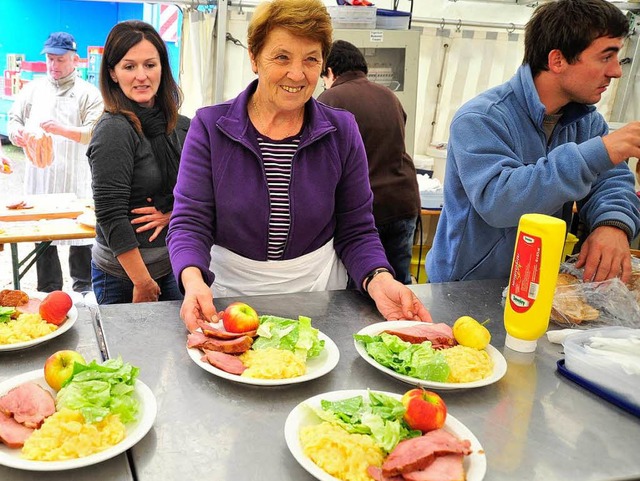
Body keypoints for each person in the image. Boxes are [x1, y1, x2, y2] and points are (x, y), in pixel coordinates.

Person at [167, 0, 431, 332]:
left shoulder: (342, 131)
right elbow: (190, 223)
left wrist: (379, 278)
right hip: (225, 296)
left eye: (311, 60)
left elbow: (357, 229)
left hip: (315, 295)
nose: (297, 73)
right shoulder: (210, 127)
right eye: (281, 57)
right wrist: (192, 281)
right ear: (254, 58)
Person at [427, 0, 640, 285]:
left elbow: (611, 182)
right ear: (557, 61)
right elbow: (499, 202)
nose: (616, 71)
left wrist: (612, 224)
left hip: (537, 285)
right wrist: (598, 153)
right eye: (606, 57)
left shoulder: (587, 121)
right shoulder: (481, 118)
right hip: (466, 289)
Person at [86, 21, 189, 304]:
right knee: (128, 350)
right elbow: (109, 214)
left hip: (173, 266)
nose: (141, 76)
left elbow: (202, 193)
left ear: (162, 68)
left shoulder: (180, 126)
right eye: (129, 66)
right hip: (125, 278)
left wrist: (172, 212)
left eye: (150, 65)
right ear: (113, 74)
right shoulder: (114, 130)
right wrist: (142, 282)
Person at [318, 40, 421, 285]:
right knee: (398, 285)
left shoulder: (329, 100)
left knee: (359, 290)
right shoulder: (389, 96)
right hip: (403, 204)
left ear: (330, 71)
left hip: (363, 214)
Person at [7, 32, 103, 294]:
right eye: (50, 59)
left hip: (76, 179)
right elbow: (13, 120)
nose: (54, 65)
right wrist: (17, 134)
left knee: (82, 237)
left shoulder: (88, 93)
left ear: (75, 60)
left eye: (60, 59)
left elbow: (95, 132)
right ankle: (49, 291)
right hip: (40, 181)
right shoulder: (33, 89)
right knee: (42, 238)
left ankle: (84, 290)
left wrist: (62, 130)